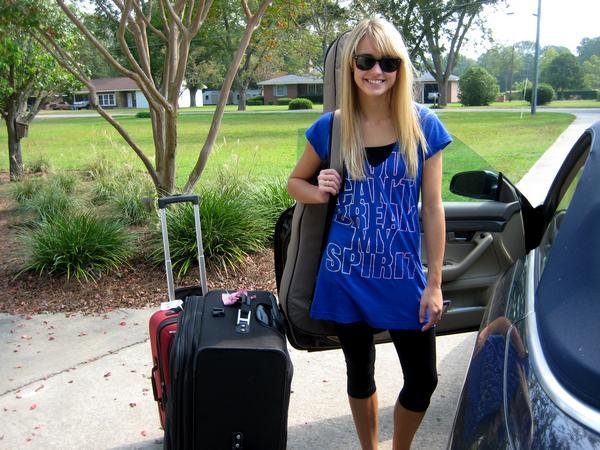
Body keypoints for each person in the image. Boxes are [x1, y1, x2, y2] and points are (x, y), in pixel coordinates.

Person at [287, 18, 452, 450]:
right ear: (352, 66)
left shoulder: (423, 126)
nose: (376, 71)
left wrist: (434, 283)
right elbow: (295, 183)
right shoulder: (331, 127)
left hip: (402, 274)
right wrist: (318, 190)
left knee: (423, 379)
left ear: (400, 69)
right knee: (359, 372)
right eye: (366, 61)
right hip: (345, 274)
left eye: (388, 62)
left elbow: (433, 209)